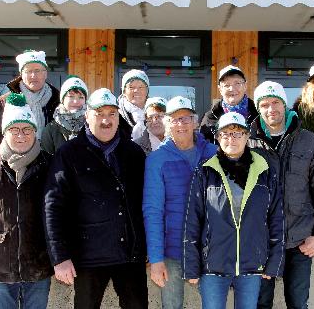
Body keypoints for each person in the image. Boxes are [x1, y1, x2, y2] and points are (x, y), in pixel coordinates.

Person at [44, 88, 148, 309]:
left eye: (112, 114)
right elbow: (53, 207)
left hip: (130, 254)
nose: (106, 120)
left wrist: (149, 249)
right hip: (88, 256)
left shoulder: (134, 153)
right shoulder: (68, 153)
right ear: (86, 116)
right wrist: (59, 256)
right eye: (99, 113)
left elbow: (148, 205)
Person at [183, 112, 284, 309]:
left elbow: (276, 219)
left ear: (247, 137)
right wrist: (191, 267)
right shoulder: (205, 172)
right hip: (213, 265)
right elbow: (192, 222)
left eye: (238, 133)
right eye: (226, 133)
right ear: (218, 137)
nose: (232, 139)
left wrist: (275, 262)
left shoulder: (264, 172)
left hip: (251, 264)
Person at [0, 93, 53, 309]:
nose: (21, 135)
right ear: (5, 132)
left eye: (27, 129)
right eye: (14, 129)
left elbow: (60, 215)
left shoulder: (49, 163)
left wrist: (61, 258)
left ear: (35, 131)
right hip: (0, 264)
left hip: (38, 265)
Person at [249, 81, 314, 309]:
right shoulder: (247, 142)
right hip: (260, 242)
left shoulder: (309, 140)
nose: (270, 109)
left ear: (285, 105)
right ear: (258, 108)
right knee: (260, 303)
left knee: (297, 303)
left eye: (275, 102)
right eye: (264, 104)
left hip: (300, 240)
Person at [142, 96, 216, 308]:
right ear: (166, 124)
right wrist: (156, 259)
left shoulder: (213, 153)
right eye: (174, 119)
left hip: (208, 248)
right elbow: (153, 210)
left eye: (186, 118)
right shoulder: (157, 160)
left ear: (195, 122)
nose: (181, 124)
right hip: (172, 250)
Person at [0, 50, 60, 151]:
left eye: (38, 70)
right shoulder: (3, 103)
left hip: (52, 162)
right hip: (16, 163)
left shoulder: (59, 101)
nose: (33, 75)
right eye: (28, 71)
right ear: (21, 74)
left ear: (45, 73)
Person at [200, 65, 259, 144]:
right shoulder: (209, 118)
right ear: (220, 89)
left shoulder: (259, 115)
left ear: (245, 86)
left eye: (237, 83)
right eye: (227, 85)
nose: (232, 89)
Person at [41, 76, 89, 154]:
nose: (76, 101)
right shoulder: (51, 129)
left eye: (81, 97)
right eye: (71, 96)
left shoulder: (91, 126)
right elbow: (46, 161)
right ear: (62, 100)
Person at [117, 69, 149, 140]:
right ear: (124, 91)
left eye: (141, 87)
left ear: (147, 91)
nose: (136, 91)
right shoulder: (115, 116)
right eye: (131, 87)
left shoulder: (156, 114)